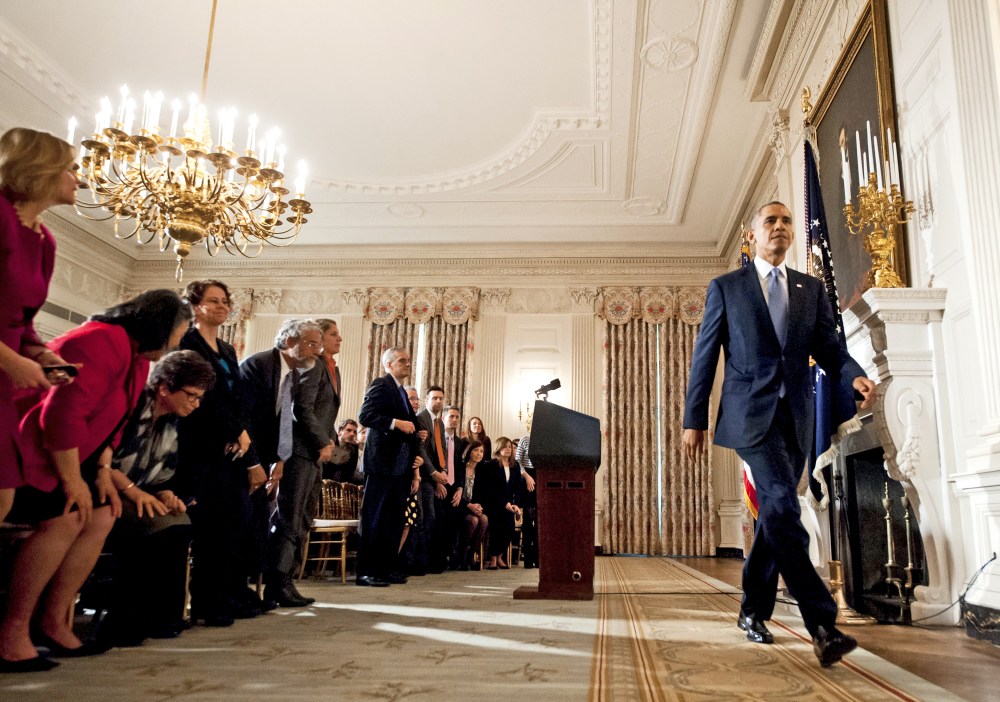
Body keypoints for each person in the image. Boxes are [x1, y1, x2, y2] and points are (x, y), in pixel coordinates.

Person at [682, 201, 877, 668]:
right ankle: (823, 625)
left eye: (786, 220)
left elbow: (831, 349)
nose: (780, 227)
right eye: (770, 221)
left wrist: (852, 376)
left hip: (797, 419)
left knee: (775, 516)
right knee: (782, 505)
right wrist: (694, 419)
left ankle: (752, 610)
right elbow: (705, 355)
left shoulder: (811, 290)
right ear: (753, 235)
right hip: (750, 417)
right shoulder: (726, 288)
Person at [0, 290, 191, 672]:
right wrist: (74, 481)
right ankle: (13, 630)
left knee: (103, 515)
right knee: (68, 515)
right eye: (177, 335)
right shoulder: (99, 341)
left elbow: (116, 426)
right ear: (157, 325)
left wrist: (102, 471)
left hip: (74, 457)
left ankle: (53, 621)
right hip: (28, 453)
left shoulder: (136, 358)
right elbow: (60, 417)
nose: (175, 344)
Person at [99, 350, 215, 647]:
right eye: (191, 395)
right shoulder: (129, 408)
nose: (196, 403)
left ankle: (163, 616)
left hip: (136, 489)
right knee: (153, 522)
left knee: (180, 520)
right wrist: (134, 492)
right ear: (164, 387)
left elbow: (159, 471)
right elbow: (99, 459)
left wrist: (165, 493)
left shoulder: (171, 421)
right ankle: (124, 619)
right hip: (105, 487)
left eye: (199, 397)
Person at [0, 127, 79, 525]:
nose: (78, 179)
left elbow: (23, 323)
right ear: (41, 170)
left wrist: (44, 355)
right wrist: (13, 362)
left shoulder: (44, 239)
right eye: (70, 169)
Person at [178, 280, 264, 625]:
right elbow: (206, 399)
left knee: (232, 524)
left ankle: (226, 594)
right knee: (209, 529)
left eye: (225, 301)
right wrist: (234, 430)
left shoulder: (228, 349)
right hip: (201, 444)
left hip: (232, 447)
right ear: (196, 305)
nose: (222, 306)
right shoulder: (188, 343)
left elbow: (239, 397)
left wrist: (242, 433)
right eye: (213, 301)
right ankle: (206, 603)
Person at [241, 319, 331, 607]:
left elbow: (282, 421)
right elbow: (243, 418)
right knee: (250, 524)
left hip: (268, 459)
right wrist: (253, 463)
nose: (318, 351)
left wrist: (279, 459)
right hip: (242, 458)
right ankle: (238, 591)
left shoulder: (291, 373)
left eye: (319, 344)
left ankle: (263, 589)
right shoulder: (260, 364)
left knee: (258, 523)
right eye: (313, 344)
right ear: (291, 341)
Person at [356, 347, 422, 587]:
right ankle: (367, 571)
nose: (407, 364)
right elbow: (365, 415)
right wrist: (396, 423)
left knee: (394, 520)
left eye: (408, 360)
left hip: (400, 466)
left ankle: (386, 568)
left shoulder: (402, 391)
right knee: (375, 518)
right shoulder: (381, 384)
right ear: (389, 365)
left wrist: (417, 432)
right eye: (402, 361)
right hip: (382, 464)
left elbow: (411, 424)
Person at [481, 436, 522, 569]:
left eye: (510, 447)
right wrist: (504, 503)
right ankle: (493, 558)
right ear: (499, 448)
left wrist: (515, 503)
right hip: (494, 504)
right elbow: (490, 488)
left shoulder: (515, 466)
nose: (508, 449)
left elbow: (517, 488)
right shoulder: (492, 465)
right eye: (505, 446)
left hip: (509, 505)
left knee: (510, 528)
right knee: (496, 526)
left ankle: (499, 556)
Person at [453, 441, 488, 570]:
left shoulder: (482, 470)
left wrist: (478, 506)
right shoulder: (460, 467)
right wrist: (468, 505)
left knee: (484, 519)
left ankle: (471, 556)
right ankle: (460, 555)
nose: (479, 454)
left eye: (481, 451)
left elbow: (484, 493)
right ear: (469, 451)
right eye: (476, 450)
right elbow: (454, 490)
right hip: (459, 507)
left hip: (474, 506)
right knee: (473, 521)